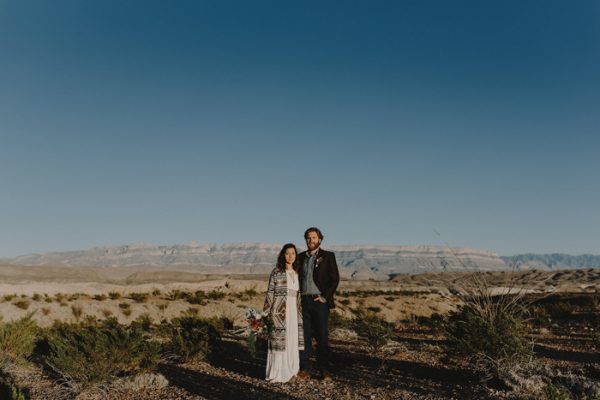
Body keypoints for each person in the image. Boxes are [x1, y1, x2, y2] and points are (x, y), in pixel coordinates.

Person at [297, 227, 340, 380]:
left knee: (322, 336)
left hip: (319, 301)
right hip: (303, 301)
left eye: (314, 238)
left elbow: (334, 279)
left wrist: (324, 297)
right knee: (304, 336)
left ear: (320, 239)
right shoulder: (300, 257)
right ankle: (305, 369)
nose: (311, 241)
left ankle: (324, 370)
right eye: (308, 238)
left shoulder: (328, 256)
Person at [263, 243, 304, 382]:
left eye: (293, 253)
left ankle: (292, 369)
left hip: (294, 311)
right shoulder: (276, 272)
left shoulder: (299, 273)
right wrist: (265, 314)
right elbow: (270, 293)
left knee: (292, 338)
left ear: (296, 255)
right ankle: (278, 373)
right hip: (279, 312)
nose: (290, 256)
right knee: (279, 341)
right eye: (287, 253)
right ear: (283, 255)